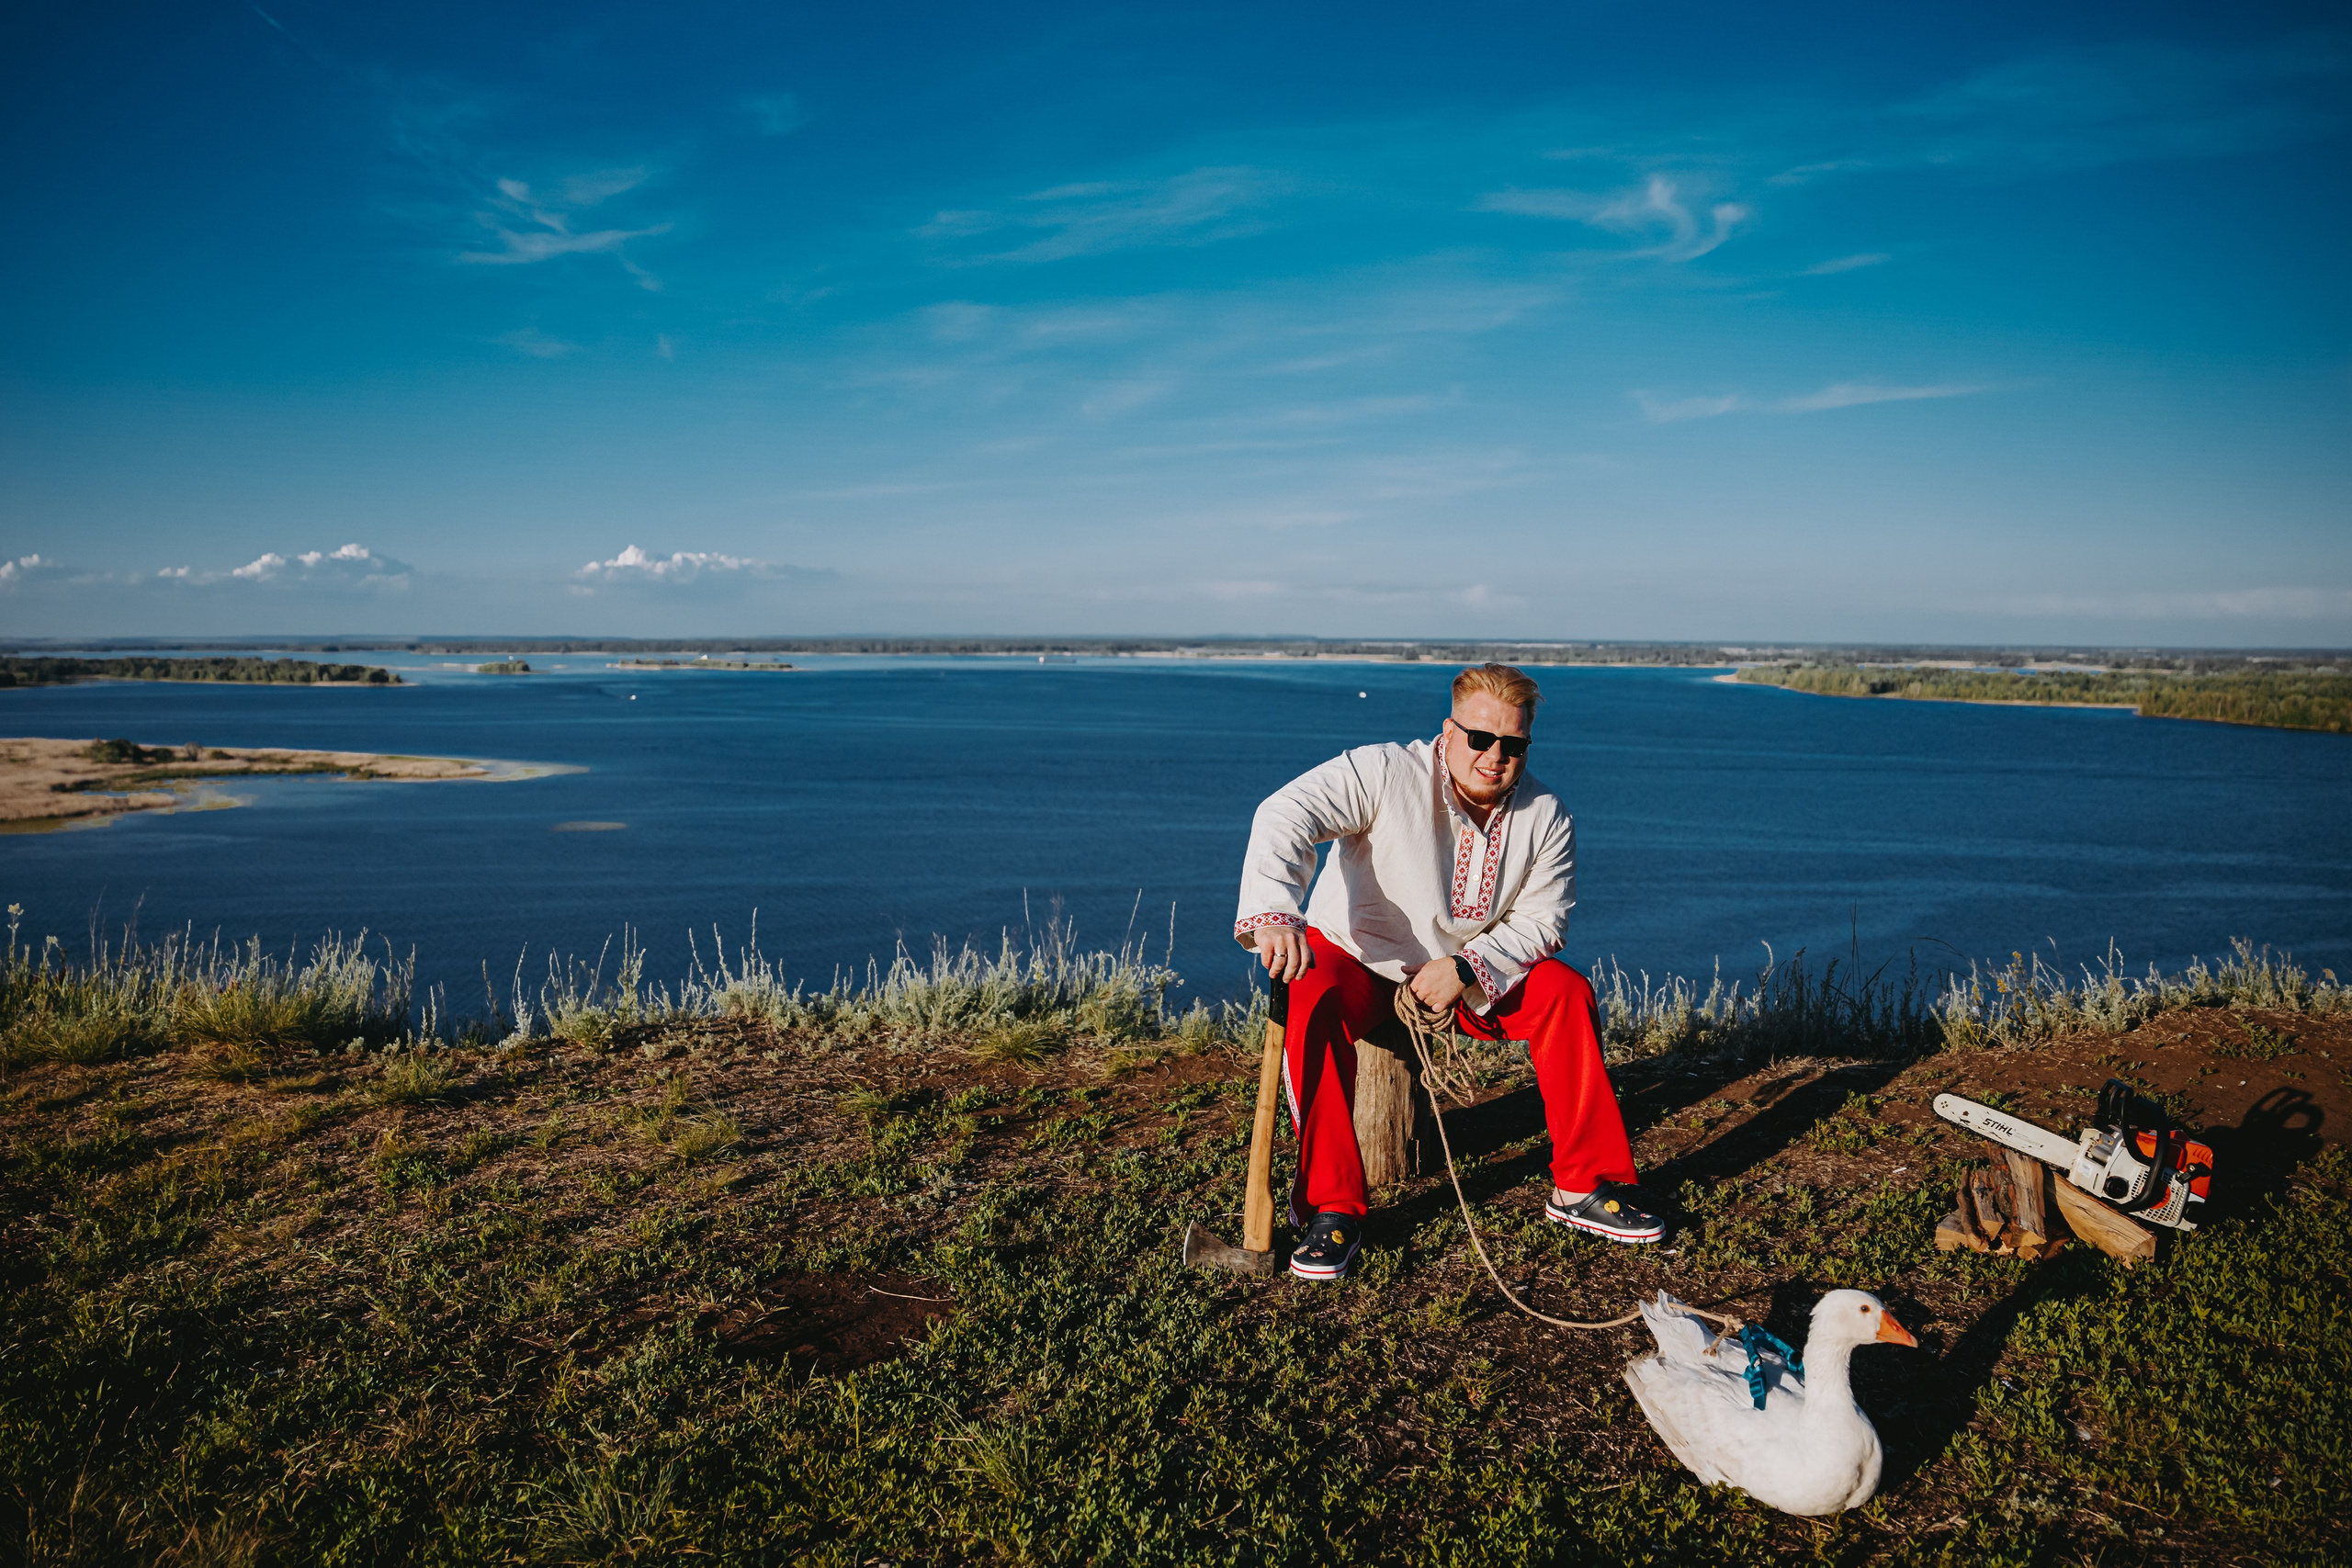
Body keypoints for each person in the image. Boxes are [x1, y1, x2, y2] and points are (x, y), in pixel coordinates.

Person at [1234, 662, 1659, 1280]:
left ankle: (1584, 1187)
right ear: (1448, 729)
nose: (1495, 756)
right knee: (1310, 998)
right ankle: (1334, 1208)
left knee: (1565, 992)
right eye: (1480, 738)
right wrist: (1276, 914)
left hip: (1465, 975)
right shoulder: (1383, 770)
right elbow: (1286, 814)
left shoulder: (1548, 815)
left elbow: (1545, 921)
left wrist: (1465, 966)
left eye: (1513, 744)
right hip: (1356, 956)